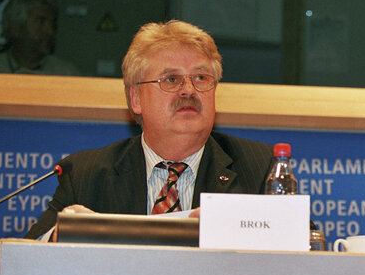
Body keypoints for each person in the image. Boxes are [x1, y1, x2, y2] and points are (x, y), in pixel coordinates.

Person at [24, 20, 273, 240]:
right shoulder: (86, 174)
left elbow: (306, 247)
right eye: (171, 80)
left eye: (201, 78)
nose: (188, 90)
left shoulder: (260, 168)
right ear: (136, 99)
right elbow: (28, 256)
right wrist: (61, 235)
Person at [0, 0, 79, 75]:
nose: (50, 32)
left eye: (53, 24)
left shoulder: (65, 73)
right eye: (41, 22)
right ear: (15, 29)